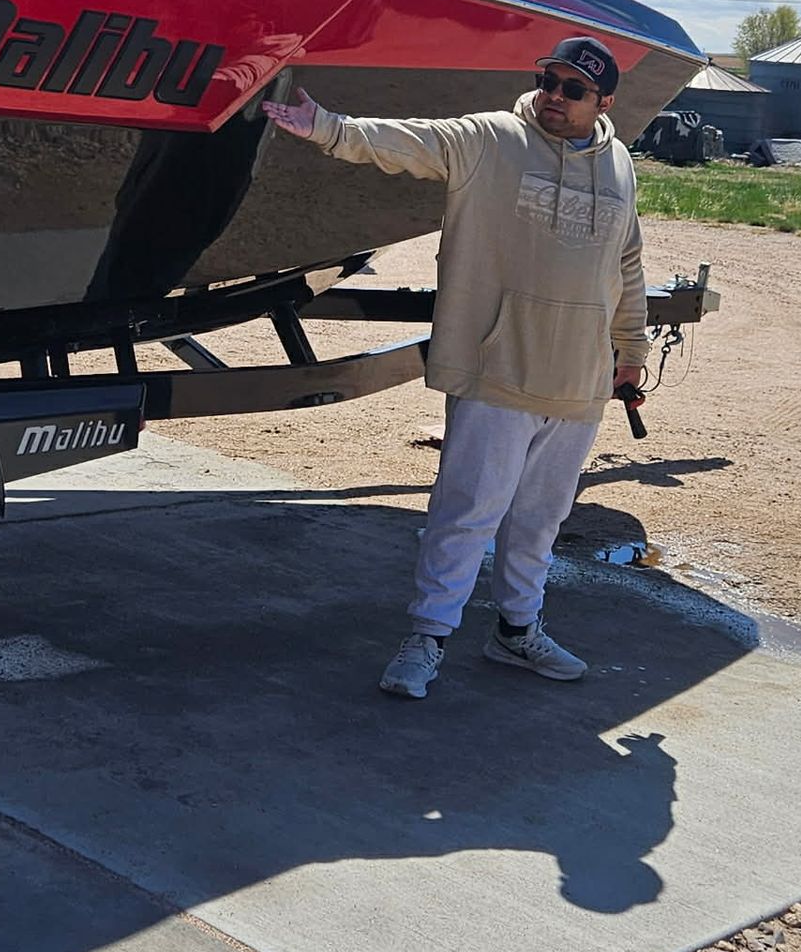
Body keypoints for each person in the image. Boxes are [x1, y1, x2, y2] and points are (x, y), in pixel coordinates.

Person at [261, 35, 649, 699]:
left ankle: (517, 632)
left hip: (579, 380)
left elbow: (629, 263)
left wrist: (632, 350)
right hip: (497, 367)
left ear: (603, 101)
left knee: (540, 519)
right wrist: (328, 129)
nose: (554, 97)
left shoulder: (618, 164)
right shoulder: (492, 139)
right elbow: (413, 141)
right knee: (466, 512)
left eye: (573, 90)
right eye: (548, 82)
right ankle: (427, 637)